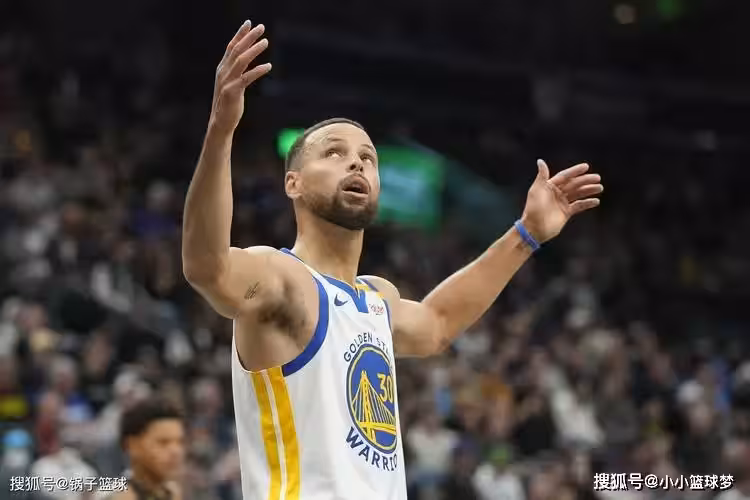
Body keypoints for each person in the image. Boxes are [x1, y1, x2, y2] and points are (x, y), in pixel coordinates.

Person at [181, 19, 604, 500]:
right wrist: (221, 130)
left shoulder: (376, 298)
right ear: (292, 183)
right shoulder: (281, 278)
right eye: (334, 153)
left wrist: (526, 234)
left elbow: (438, 323)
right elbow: (207, 267)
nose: (356, 162)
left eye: (368, 158)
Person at [107, 398, 186, 500]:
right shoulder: (117, 496)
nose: (175, 451)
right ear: (132, 446)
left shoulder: (172, 492)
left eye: (180, 442)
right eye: (163, 442)